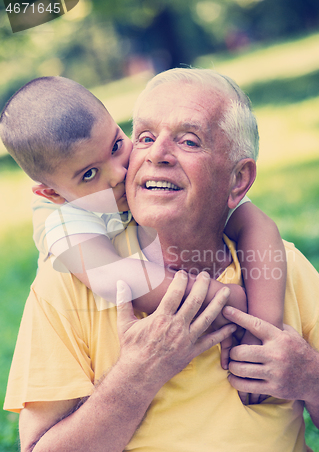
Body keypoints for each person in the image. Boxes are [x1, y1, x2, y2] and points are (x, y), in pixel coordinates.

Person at [3, 68, 319, 452]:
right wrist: (139, 374)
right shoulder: (67, 277)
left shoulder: (276, 263)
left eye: (188, 139)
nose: (154, 154)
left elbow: (258, 224)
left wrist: (315, 378)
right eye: (144, 136)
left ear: (237, 180)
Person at [0, 76, 286, 377]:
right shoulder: (59, 220)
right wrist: (226, 301)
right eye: (89, 175)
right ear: (54, 193)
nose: (118, 173)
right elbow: (115, 277)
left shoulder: (140, 173)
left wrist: (263, 328)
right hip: (93, 356)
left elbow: (256, 222)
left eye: (115, 146)